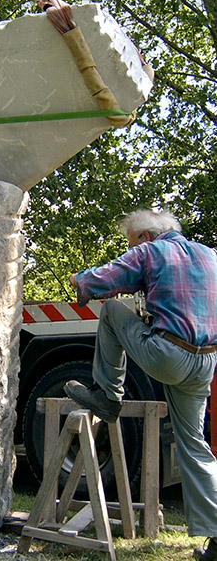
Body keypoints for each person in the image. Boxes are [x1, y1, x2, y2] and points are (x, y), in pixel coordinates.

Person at [64, 208, 217, 560]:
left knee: (112, 311)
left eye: (130, 241)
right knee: (195, 446)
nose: (130, 247)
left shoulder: (150, 252)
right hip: (205, 362)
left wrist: (79, 280)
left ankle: (107, 395)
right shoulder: (210, 255)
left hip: (168, 354)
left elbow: (105, 279)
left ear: (145, 237)